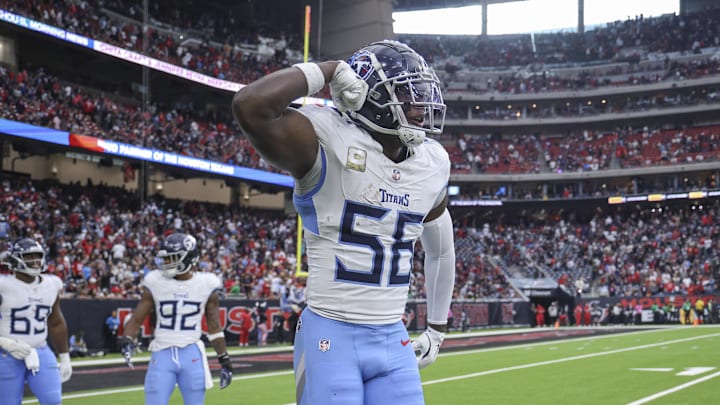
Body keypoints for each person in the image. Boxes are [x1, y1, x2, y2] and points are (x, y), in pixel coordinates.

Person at [232, 39, 456, 405]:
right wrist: (329, 70)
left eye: (421, 93)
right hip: (331, 331)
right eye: (407, 94)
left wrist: (437, 327)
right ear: (367, 95)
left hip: (391, 335)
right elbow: (251, 105)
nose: (420, 107)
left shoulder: (431, 163)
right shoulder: (324, 138)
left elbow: (442, 250)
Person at [119, 232, 233, 405]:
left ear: (189, 259)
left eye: (172, 258)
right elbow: (136, 319)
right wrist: (127, 339)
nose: (166, 263)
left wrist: (224, 359)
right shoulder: (155, 281)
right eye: (165, 258)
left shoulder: (206, 283)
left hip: (192, 354)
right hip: (161, 352)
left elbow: (214, 327)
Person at [0, 238, 73, 404]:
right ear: (15, 259)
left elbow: (56, 322)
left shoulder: (52, 284)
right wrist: (4, 342)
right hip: (6, 353)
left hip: (40, 349)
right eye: (28, 256)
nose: (35, 261)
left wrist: (65, 356)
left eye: (37, 256)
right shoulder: (3, 285)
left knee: (53, 401)